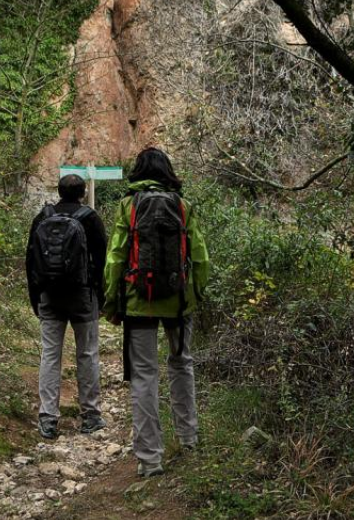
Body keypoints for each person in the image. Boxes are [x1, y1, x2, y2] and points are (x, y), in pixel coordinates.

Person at [103, 147, 210, 477]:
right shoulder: (183, 206)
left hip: (139, 302)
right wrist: (196, 296)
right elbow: (201, 257)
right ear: (169, 171)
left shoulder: (128, 206)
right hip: (178, 302)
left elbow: (115, 258)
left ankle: (150, 459)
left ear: (138, 171)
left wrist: (111, 301)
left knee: (145, 376)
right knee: (182, 365)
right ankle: (189, 438)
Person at [26, 174, 108, 439]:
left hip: (49, 295)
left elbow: (31, 260)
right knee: (87, 354)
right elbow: (102, 261)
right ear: (83, 193)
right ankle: (91, 416)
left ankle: (48, 418)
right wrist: (102, 298)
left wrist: (35, 297)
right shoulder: (90, 218)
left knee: (50, 355)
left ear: (59, 192)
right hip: (83, 296)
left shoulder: (43, 217)